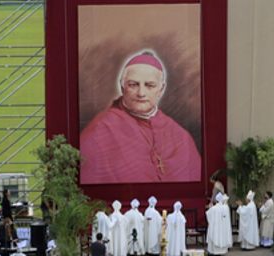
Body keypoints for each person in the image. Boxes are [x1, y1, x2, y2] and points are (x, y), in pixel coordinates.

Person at [79, 51, 202, 184]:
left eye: (150, 85)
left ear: (161, 89)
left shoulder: (182, 137)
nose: (141, 93)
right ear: (122, 86)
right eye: (133, 85)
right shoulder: (99, 130)